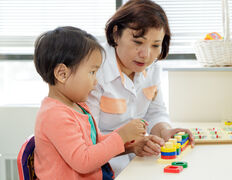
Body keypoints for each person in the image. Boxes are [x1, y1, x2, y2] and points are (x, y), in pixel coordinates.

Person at [86, 0, 194, 176]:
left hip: (139, 161)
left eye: (155, 45)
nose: (146, 55)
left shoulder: (152, 67)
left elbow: (155, 112)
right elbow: (89, 141)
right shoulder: (94, 70)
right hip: (104, 166)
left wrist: (165, 132)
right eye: (138, 41)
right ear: (116, 34)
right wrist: (130, 146)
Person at [33, 26, 147, 180]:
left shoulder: (78, 107)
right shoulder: (54, 115)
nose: (96, 81)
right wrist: (121, 136)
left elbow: (96, 145)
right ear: (62, 73)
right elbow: (84, 161)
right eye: (92, 72)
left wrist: (129, 145)